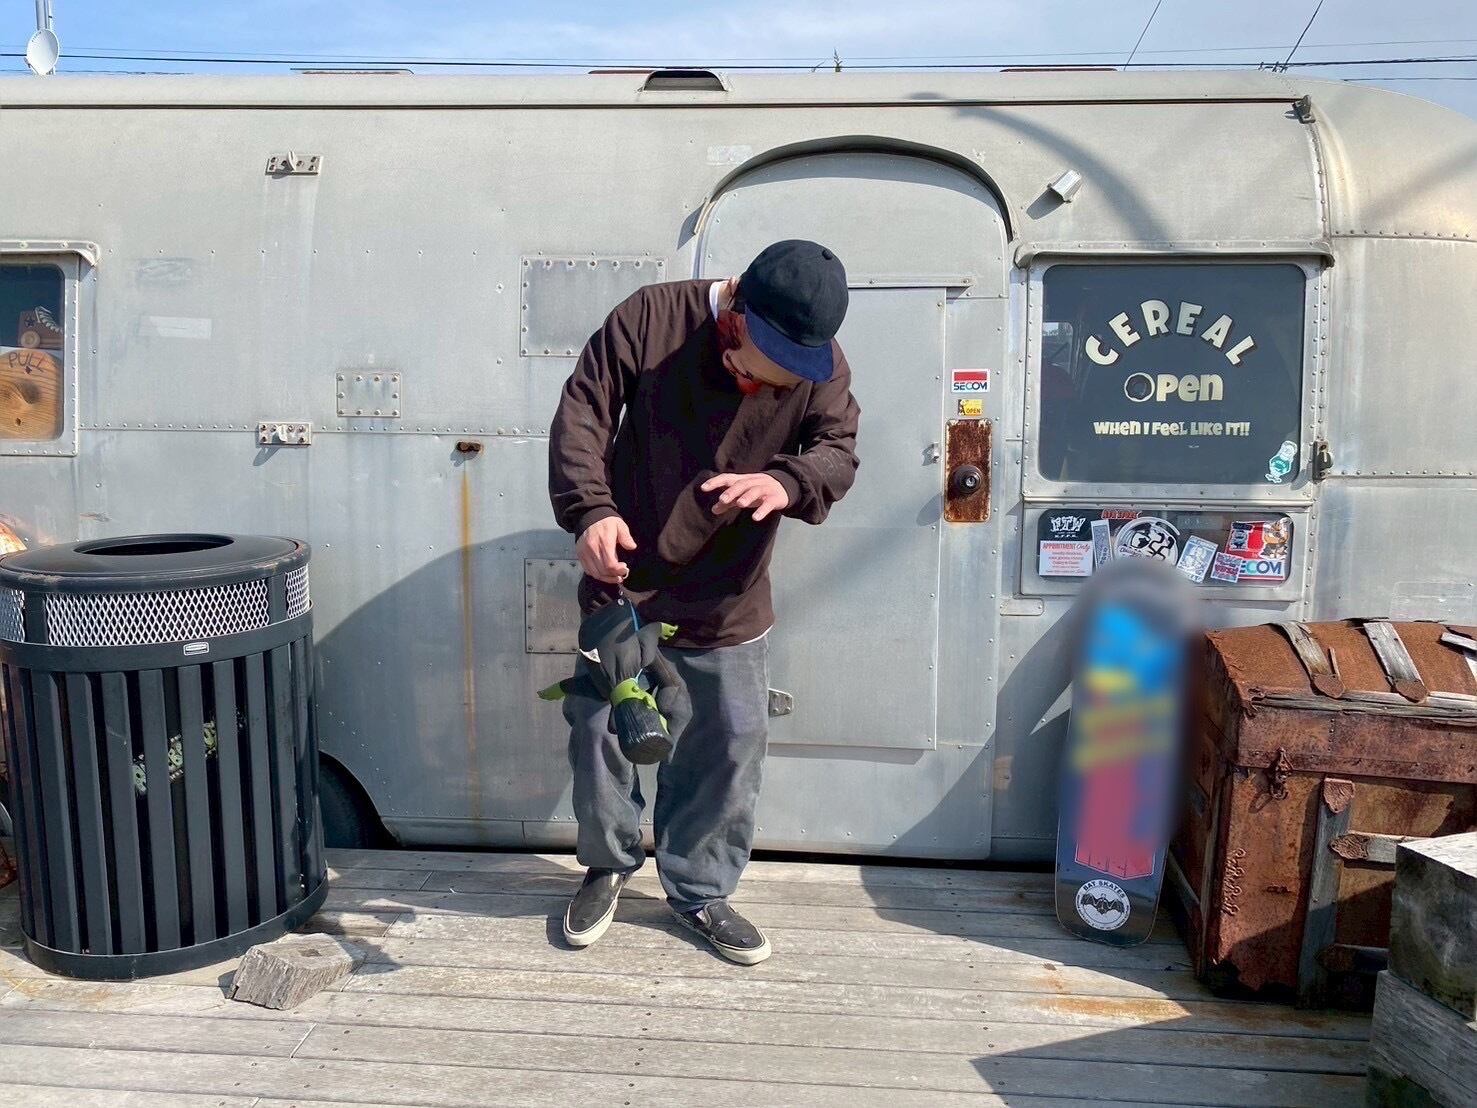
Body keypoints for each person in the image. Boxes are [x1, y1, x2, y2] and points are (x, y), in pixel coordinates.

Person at [548, 240, 860, 964]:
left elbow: (837, 449)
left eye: (790, 374)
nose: (771, 382)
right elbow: (583, 414)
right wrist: (590, 511)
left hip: (731, 589)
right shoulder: (649, 319)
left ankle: (698, 889)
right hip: (625, 575)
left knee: (730, 741)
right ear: (736, 310)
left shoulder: (821, 363)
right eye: (765, 363)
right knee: (599, 732)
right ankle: (607, 867)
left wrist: (786, 482)